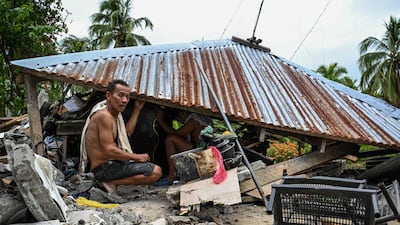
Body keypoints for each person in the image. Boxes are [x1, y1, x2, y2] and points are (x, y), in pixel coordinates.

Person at [82, 79, 162, 197]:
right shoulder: (104, 116)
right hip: (104, 168)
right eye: (120, 95)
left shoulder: (114, 116)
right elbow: (109, 150)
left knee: (151, 169)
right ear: (109, 96)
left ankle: (109, 182)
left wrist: (137, 109)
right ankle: (110, 182)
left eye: (127, 97)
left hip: (109, 166)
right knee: (156, 171)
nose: (125, 100)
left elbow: (126, 133)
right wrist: (137, 157)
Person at [155, 108, 213, 186]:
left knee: (170, 139)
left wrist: (161, 120)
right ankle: (178, 173)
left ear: (183, 112)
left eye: (179, 119)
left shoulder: (195, 119)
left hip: (201, 152)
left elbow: (176, 133)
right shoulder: (203, 116)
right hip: (200, 149)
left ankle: (171, 176)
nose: (181, 122)